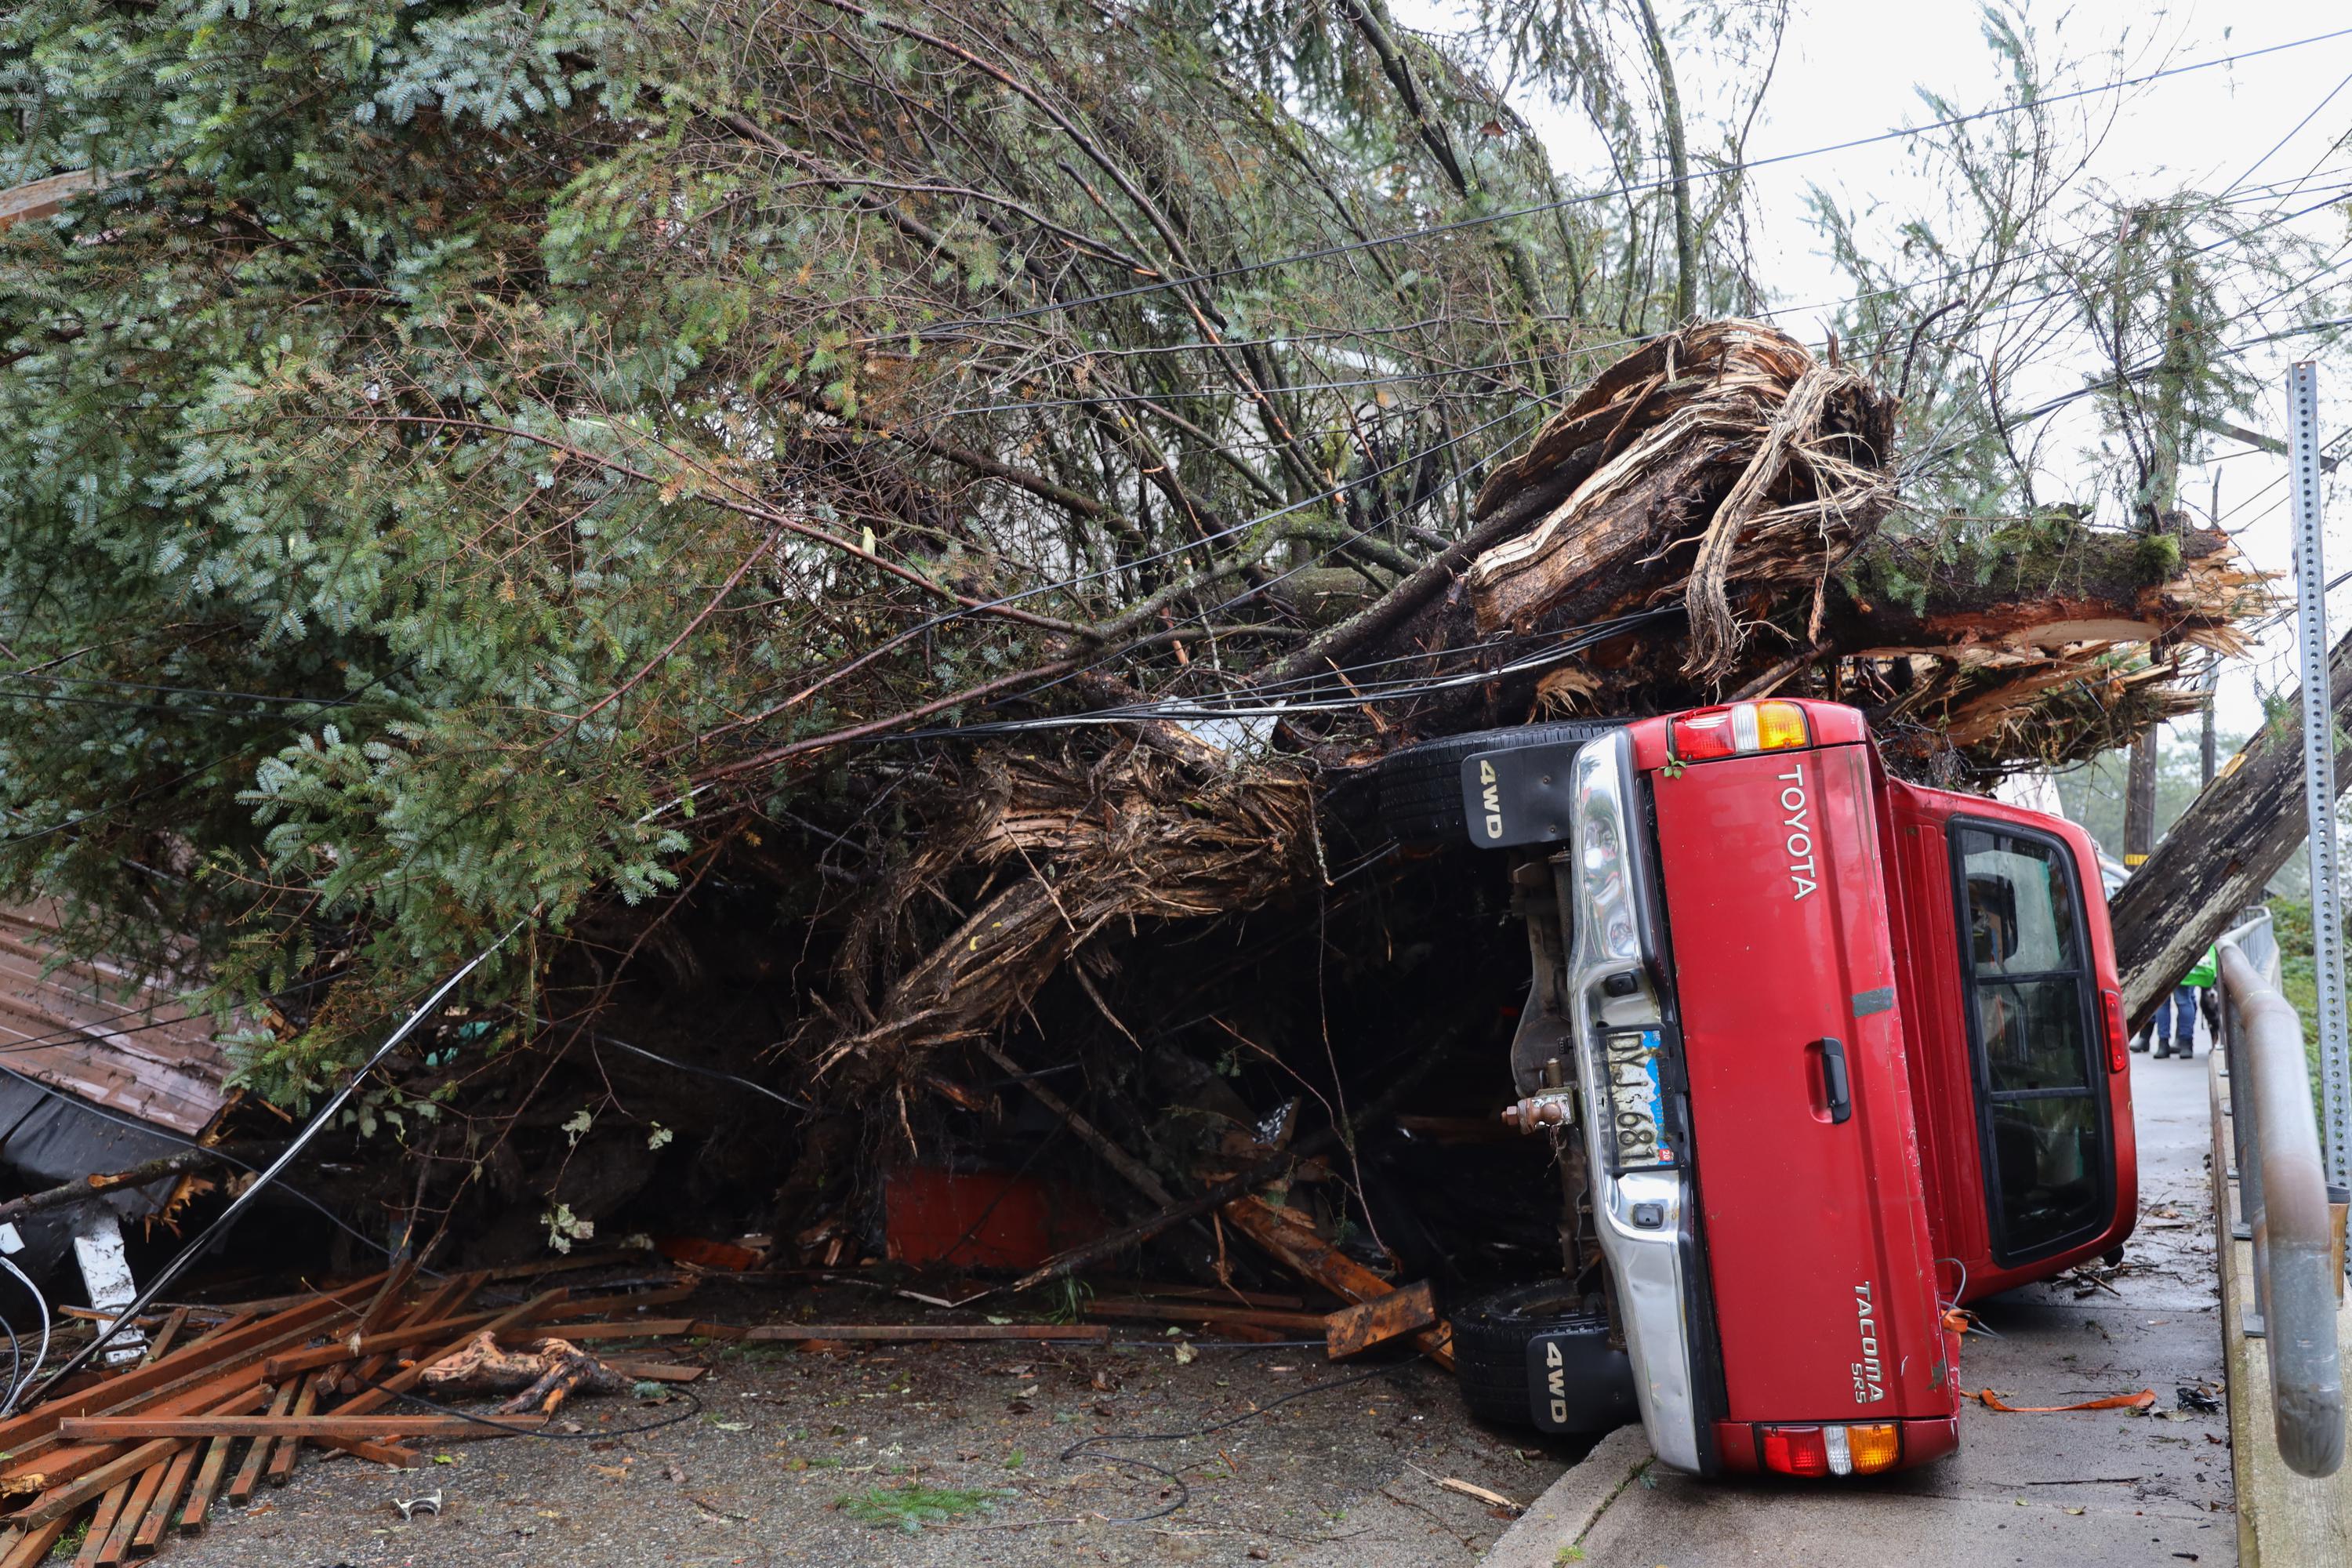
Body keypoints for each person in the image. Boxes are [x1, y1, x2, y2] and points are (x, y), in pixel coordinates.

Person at [2155, 945, 2218, 1060]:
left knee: (2162, 1002)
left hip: (2162, 955)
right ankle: (2186, 1045)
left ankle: (2163, 1045)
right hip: (2181, 956)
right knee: (2184, 1000)